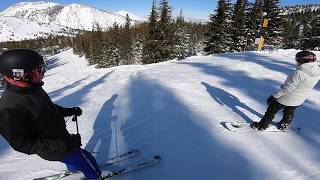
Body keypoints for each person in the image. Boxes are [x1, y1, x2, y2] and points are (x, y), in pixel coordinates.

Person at [0, 49, 102, 179]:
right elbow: (23, 144)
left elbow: (47, 109)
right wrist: (61, 144)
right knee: (86, 159)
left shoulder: (31, 88)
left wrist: (69, 111)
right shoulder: (9, 108)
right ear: (20, 74)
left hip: (59, 139)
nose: (43, 72)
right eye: (38, 69)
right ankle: (96, 177)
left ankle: (76, 171)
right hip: (53, 149)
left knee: (76, 158)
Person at [251, 50, 319, 130]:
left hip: (287, 97)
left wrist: (274, 96)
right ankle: (284, 125)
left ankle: (262, 125)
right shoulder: (317, 72)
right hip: (299, 98)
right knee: (289, 111)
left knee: (272, 109)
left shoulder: (299, 73)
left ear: (303, 60)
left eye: (298, 60)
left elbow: (287, 88)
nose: (297, 62)